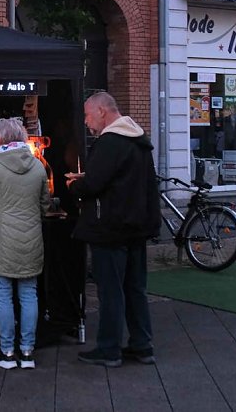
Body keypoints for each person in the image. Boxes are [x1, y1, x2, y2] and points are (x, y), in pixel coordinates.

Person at [65, 92, 160, 367]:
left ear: (102, 112)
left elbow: (94, 185)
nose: (86, 121)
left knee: (111, 290)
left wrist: (74, 185)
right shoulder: (139, 140)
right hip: (136, 227)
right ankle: (142, 345)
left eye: (87, 115)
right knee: (135, 288)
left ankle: (109, 349)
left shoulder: (109, 142)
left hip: (109, 228)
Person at [0, 118, 50, 370]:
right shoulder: (38, 166)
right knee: (29, 294)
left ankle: (7, 352)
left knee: (3, 295)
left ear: (0, 139)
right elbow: (45, 204)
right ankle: (28, 352)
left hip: (1, 238)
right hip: (32, 239)